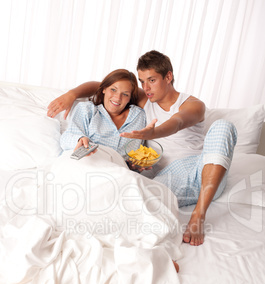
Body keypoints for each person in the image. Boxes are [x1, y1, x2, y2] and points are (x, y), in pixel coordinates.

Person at [48, 51, 237, 247]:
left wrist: (152, 133)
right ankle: (150, 247)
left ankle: (199, 214)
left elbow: (177, 122)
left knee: (224, 126)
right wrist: (72, 94)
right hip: (166, 181)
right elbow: (106, 85)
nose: (146, 88)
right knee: (125, 197)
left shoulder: (193, 104)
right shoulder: (146, 99)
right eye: (142, 81)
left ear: (168, 77)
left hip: (202, 172)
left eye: (152, 80)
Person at [59, 69, 146, 157]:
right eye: (113, 90)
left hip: (119, 169)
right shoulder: (87, 110)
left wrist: (135, 165)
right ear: (104, 89)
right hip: (88, 163)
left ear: (130, 97)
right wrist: (80, 139)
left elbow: (135, 155)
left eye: (125, 94)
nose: (118, 98)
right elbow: (66, 138)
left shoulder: (138, 116)